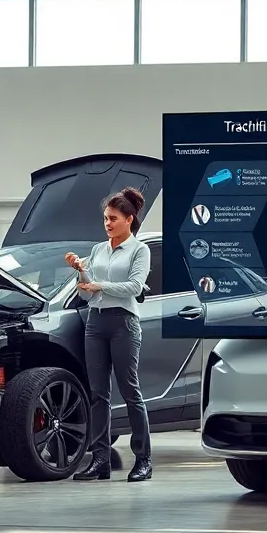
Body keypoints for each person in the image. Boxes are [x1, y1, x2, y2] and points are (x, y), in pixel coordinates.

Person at [65, 187, 153, 482]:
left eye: (113, 218)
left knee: (130, 391)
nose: (107, 224)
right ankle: (99, 460)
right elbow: (88, 295)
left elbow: (135, 287)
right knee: (98, 394)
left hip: (124, 323)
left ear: (129, 220)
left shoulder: (140, 250)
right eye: (105, 218)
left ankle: (143, 460)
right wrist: (80, 272)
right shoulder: (98, 250)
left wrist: (100, 285)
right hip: (96, 322)